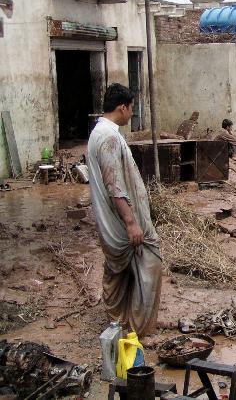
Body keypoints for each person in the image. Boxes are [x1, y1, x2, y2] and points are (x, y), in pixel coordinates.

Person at [88, 83, 162, 337]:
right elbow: (114, 184)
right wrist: (131, 222)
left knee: (116, 271)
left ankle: (116, 322)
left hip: (112, 222)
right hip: (121, 222)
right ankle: (137, 330)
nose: (132, 114)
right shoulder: (108, 136)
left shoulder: (100, 132)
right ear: (122, 107)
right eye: (131, 109)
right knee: (150, 264)